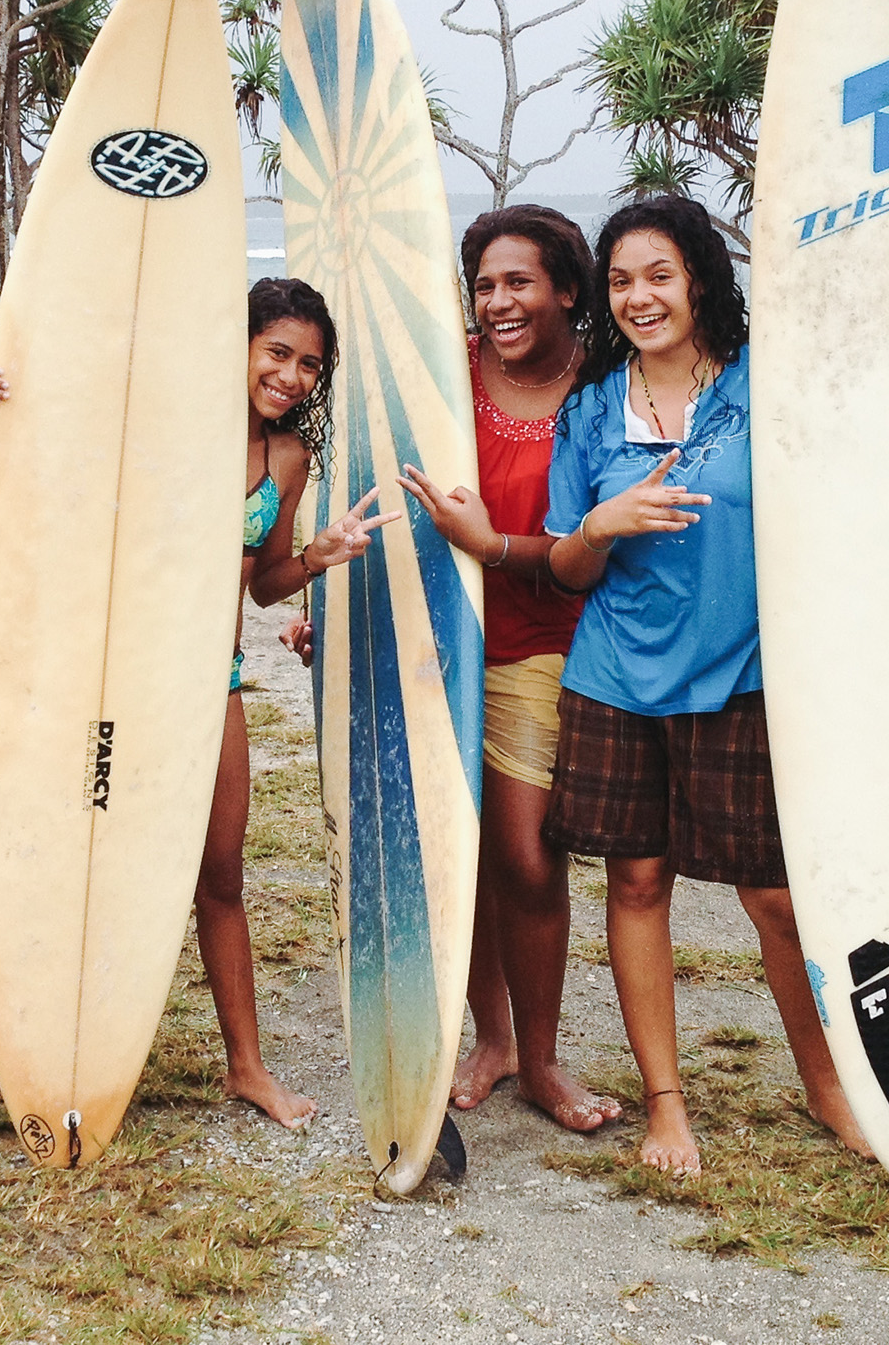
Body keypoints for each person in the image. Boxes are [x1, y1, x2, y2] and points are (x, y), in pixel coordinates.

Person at [539, 196, 889, 1177]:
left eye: (659, 274)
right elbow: (563, 564)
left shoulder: (776, 384)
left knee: (775, 896)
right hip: (616, 676)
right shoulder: (590, 411)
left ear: (701, 280)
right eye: (622, 280)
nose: (639, 296)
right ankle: (668, 1105)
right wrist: (602, 524)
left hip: (746, 674)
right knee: (635, 881)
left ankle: (828, 1083)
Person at [0, 276, 397, 1130]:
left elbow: (263, 582)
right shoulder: (145, 426)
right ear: (230, 344)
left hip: (211, 680)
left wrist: (317, 553)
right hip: (109, 680)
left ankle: (246, 1067)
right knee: (65, 865)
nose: (293, 375)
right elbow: (46, 458)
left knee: (220, 873)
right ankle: (12, 1058)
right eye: (278, 352)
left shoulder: (284, 457)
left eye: (311, 363)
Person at [390, 205, 621, 1132]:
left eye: (519, 282)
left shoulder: (606, 386)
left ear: (568, 288)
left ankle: (543, 1058)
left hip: (553, 640)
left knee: (528, 856)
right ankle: (493, 1038)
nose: (497, 303)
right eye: (483, 284)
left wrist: (491, 546)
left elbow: (590, 536)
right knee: (471, 844)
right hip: (447, 637)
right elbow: (389, 483)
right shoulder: (450, 370)